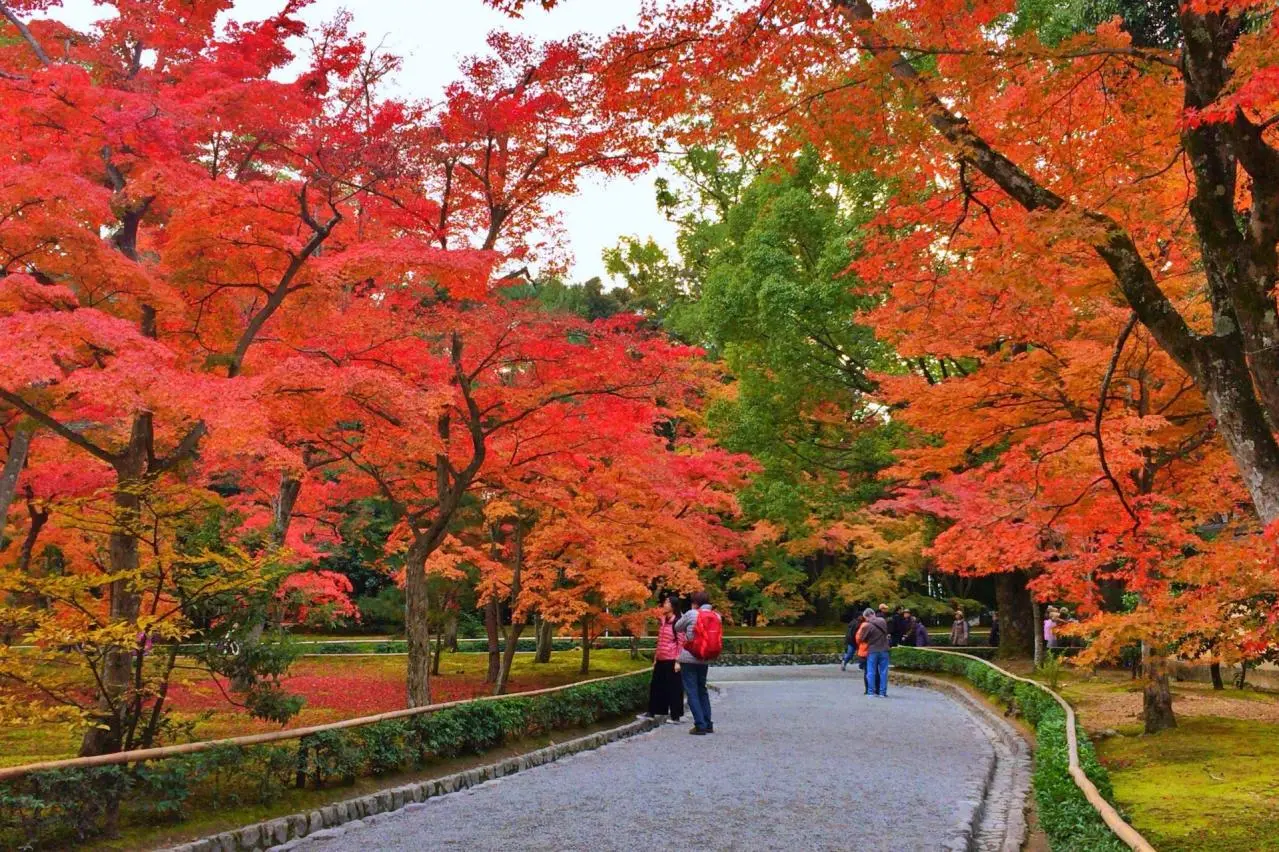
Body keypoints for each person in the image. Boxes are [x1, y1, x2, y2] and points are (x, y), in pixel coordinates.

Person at [674, 590, 719, 734]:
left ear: (695, 602)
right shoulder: (716, 616)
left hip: (689, 657)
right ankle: (708, 723)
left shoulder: (692, 613)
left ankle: (699, 725)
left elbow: (677, 627)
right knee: (702, 690)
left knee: (691, 691)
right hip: (705, 657)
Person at [646, 595, 685, 723]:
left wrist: (678, 661)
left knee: (673, 688)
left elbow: (681, 643)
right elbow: (660, 641)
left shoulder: (678, 622)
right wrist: (656, 657)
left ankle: (675, 716)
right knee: (656, 686)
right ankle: (653, 711)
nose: (664, 604)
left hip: (672, 659)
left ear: (673, 606)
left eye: (667, 602)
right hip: (661, 658)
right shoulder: (663, 621)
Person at [859, 607, 892, 697]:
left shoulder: (867, 626)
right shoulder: (883, 621)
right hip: (884, 650)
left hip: (873, 650)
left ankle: (871, 692)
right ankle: (882, 692)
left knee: (871, 672)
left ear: (867, 616)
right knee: (884, 672)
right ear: (874, 613)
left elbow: (862, 639)